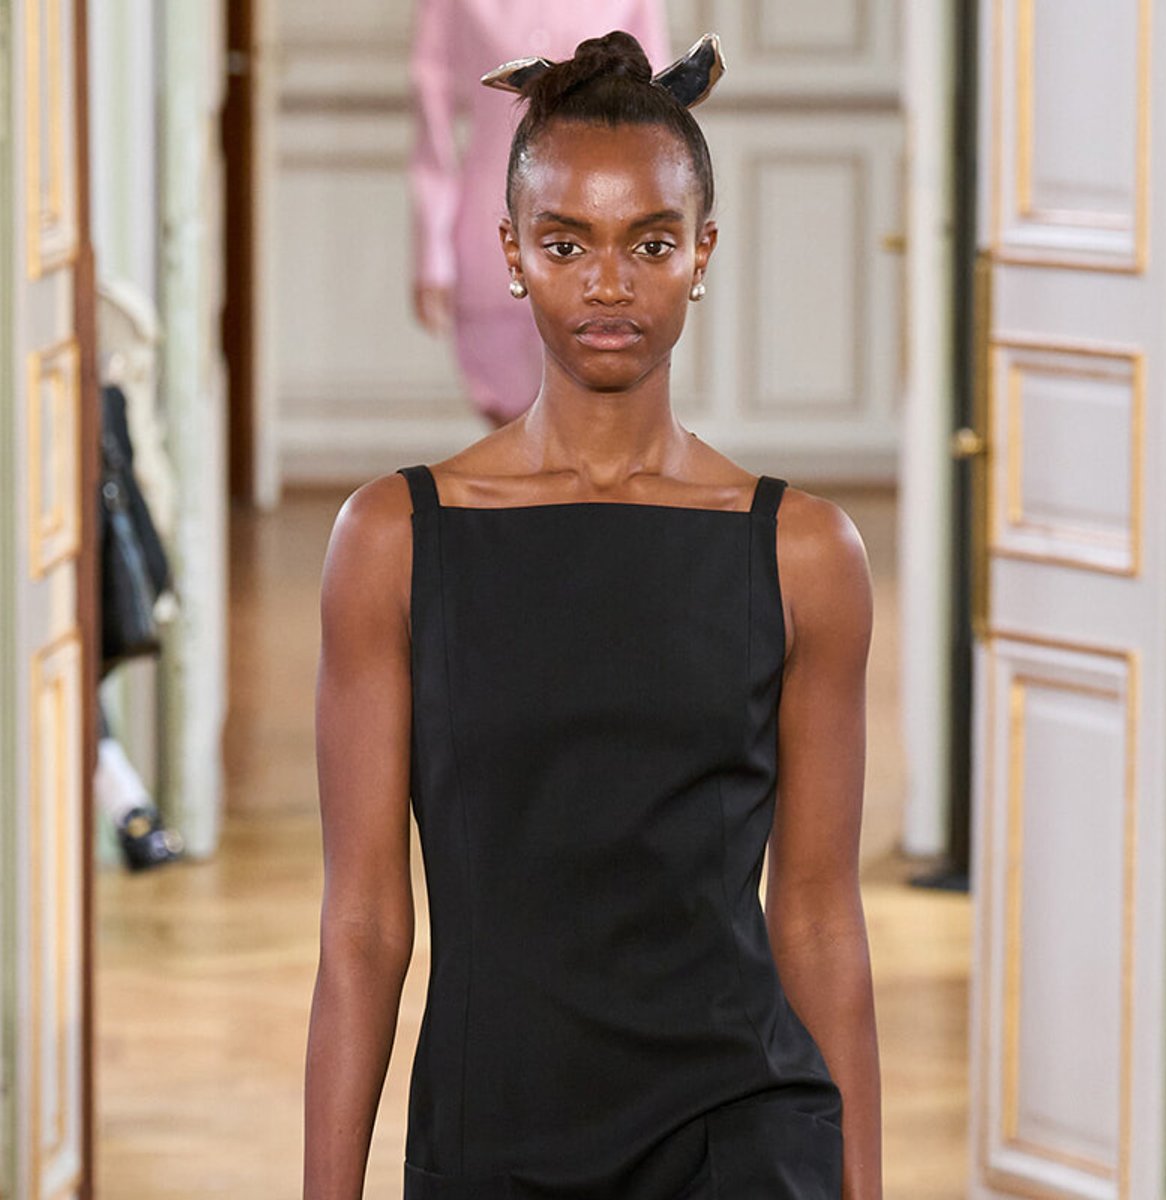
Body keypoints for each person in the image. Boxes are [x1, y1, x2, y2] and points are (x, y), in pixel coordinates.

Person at [306, 30, 882, 1200]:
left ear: (702, 252)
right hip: (493, 1138)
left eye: (650, 243)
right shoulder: (394, 542)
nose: (608, 284)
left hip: (739, 1134)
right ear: (512, 252)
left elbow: (819, 916)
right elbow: (364, 924)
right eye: (567, 243)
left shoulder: (804, 553)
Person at [408, 0, 670, 427]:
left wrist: (653, 247)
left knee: (598, 424)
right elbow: (431, 119)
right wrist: (432, 253)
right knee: (510, 430)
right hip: (491, 237)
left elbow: (656, 124)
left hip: (603, 243)